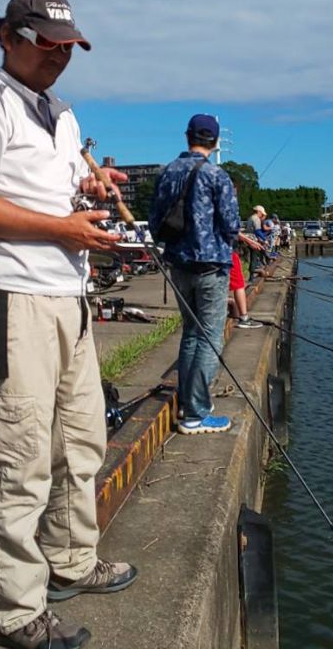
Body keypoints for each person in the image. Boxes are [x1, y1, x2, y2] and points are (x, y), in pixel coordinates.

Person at [0, 0, 136, 649]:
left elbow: (51, 188)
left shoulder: (63, 115)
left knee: (80, 442)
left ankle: (70, 560)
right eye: (45, 45)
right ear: (7, 38)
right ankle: (14, 610)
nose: (58, 57)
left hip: (68, 300)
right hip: (10, 301)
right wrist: (61, 229)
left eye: (68, 47)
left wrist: (88, 185)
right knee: (17, 462)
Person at [148, 114, 241, 434]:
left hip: (179, 265)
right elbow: (231, 224)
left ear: (188, 136)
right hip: (211, 266)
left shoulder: (166, 172)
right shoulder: (217, 175)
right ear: (215, 142)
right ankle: (196, 413)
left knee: (190, 333)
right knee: (210, 337)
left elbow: (154, 221)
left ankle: (189, 402)